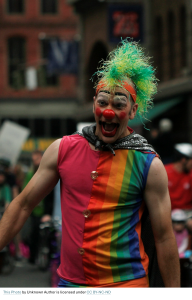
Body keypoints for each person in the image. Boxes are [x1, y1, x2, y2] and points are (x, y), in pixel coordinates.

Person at [0, 39, 180, 287]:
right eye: (103, 102)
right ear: (94, 103)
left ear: (133, 110)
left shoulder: (149, 164)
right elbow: (23, 205)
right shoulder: (62, 149)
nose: (108, 111)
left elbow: (164, 238)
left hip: (126, 286)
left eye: (119, 105)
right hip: (70, 285)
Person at [23, 149, 54, 264]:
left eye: (37, 158)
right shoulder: (31, 173)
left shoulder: (49, 171)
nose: (35, 161)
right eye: (33, 159)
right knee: (34, 232)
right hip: (35, 209)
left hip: (45, 209)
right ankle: (33, 255)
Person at [165, 143, 192, 232]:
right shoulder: (165, 172)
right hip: (168, 214)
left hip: (187, 213)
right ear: (184, 160)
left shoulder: (190, 174)